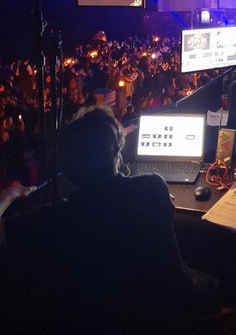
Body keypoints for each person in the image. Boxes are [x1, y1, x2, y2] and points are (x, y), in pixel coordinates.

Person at [0, 105, 218, 333]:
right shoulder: (153, 187)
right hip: (184, 314)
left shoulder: (62, 217)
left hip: (114, 321)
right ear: (117, 150)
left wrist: (9, 194)